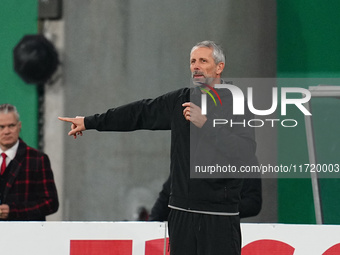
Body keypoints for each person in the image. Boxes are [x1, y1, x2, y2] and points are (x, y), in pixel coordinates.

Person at [59, 40, 257, 255]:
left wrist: (206, 124)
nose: (196, 66)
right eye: (192, 61)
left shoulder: (237, 104)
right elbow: (139, 113)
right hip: (181, 214)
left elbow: (244, 153)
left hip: (219, 216)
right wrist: (90, 122)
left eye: (203, 60)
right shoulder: (180, 101)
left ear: (219, 67)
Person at [0, 104, 59, 220]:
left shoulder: (38, 160)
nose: (6, 131)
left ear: (19, 126)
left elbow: (51, 203)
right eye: (1, 127)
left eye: (11, 125)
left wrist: (14, 211)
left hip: (27, 235)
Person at [149, 177, 262, 221]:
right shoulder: (190, 156)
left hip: (224, 229)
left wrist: (219, 208)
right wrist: (152, 225)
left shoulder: (242, 155)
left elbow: (253, 202)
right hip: (188, 230)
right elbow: (167, 194)